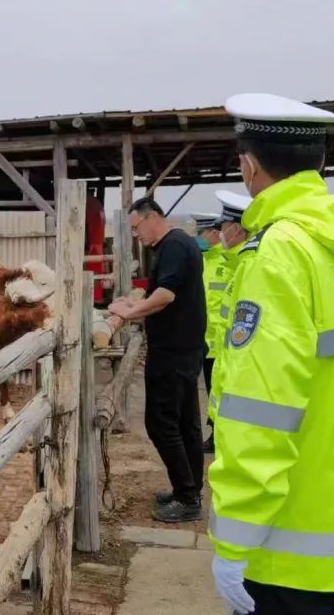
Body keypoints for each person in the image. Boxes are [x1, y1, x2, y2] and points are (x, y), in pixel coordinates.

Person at [207, 94, 334, 615]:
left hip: (291, 541)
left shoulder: (279, 254)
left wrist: (235, 540)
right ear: (318, 164)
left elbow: (261, 412)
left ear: (249, 166)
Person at [109, 196, 207, 523]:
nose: (136, 234)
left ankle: (187, 496)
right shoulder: (176, 245)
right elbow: (161, 292)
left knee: (161, 423)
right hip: (184, 347)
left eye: (136, 227)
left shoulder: (175, 246)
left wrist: (128, 313)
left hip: (173, 351)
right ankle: (189, 490)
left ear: (153, 218)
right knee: (185, 423)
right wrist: (134, 303)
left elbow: (166, 295)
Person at [203, 190, 253, 453]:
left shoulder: (251, 266)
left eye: (222, 228)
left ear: (235, 229)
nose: (218, 233)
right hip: (220, 352)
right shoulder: (238, 264)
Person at [192, 212, 224, 453]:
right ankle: (215, 435)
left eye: (201, 234)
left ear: (214, 233)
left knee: (223, 391)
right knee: (212, 392)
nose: (198, 238)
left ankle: (220, 436)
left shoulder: (227, 262)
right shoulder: (199, 261)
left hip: (224, 343)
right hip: (205, 342)